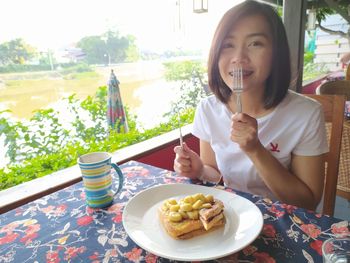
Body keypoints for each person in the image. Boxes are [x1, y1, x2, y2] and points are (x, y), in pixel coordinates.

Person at [173, 0, 328, 211]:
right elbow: (216, 175)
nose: (238, 58)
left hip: (283, 220)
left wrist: (255, 150)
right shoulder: (208, 109)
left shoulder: (306, 114)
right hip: (231, 217)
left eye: (255, 43)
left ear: (276, 54)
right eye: (228, 45)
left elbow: (308, 201)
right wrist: (199, 170)